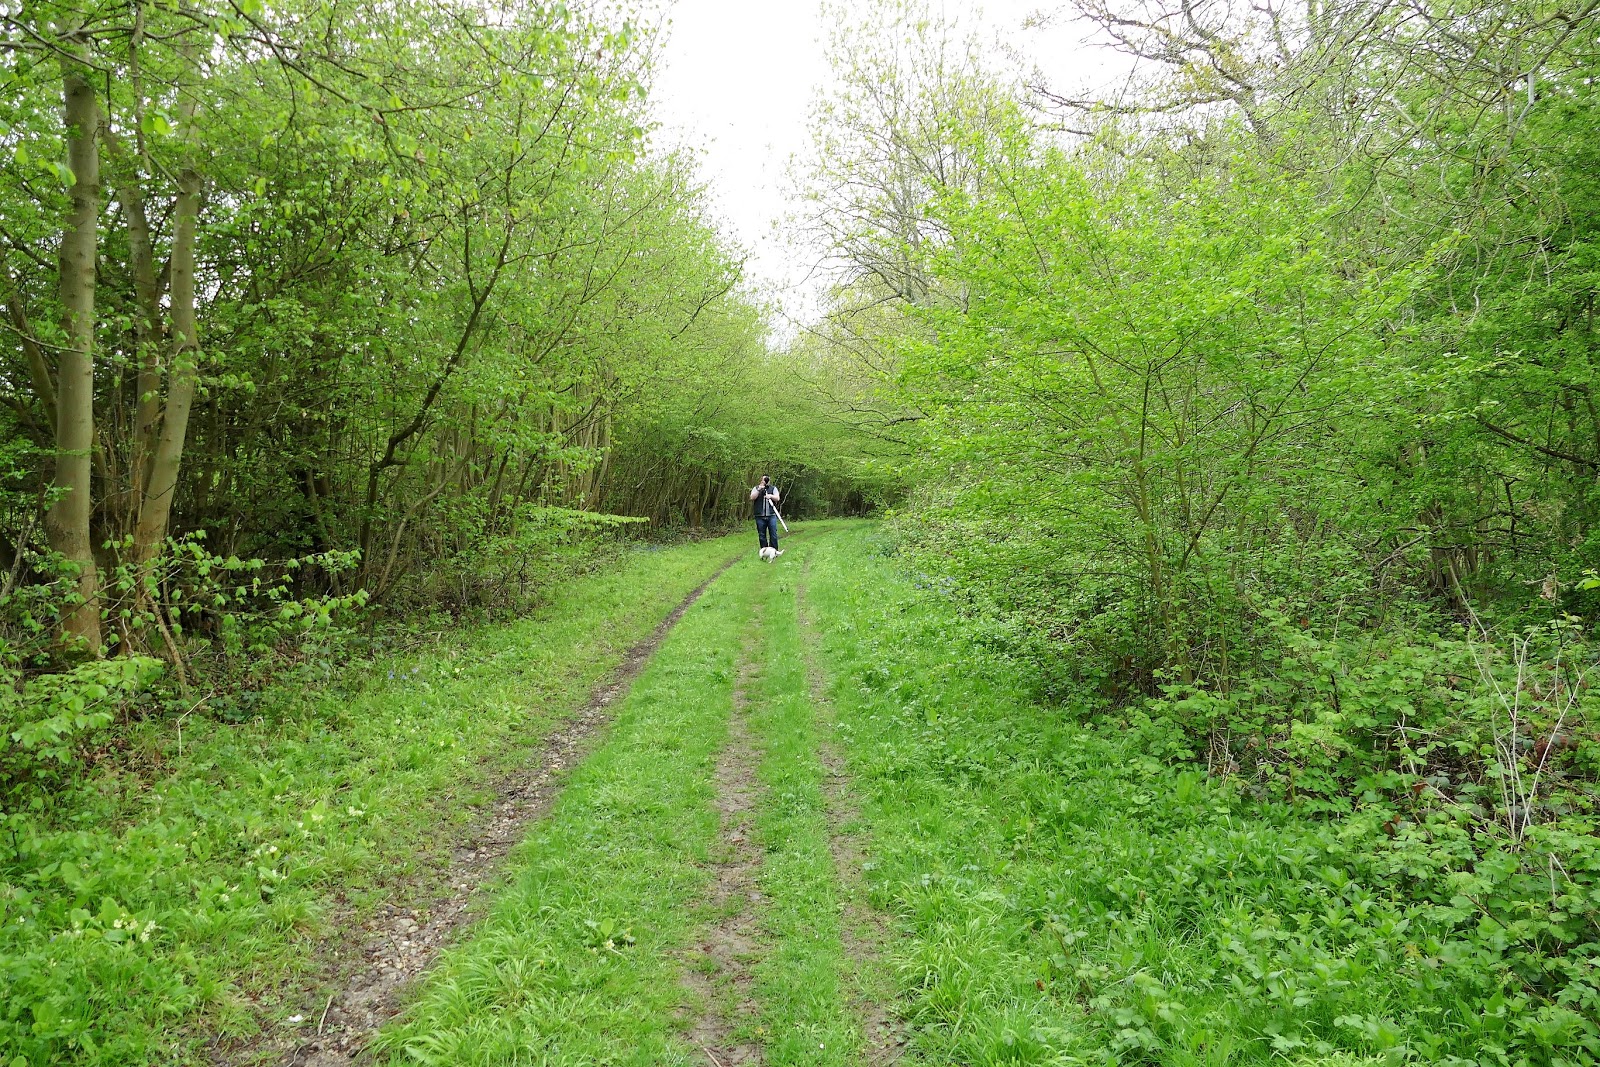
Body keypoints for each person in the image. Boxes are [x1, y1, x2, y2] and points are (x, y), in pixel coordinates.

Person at [750, 475, 781, 553]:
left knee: (773, 534)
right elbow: (752, 497)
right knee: (762, 535)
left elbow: (777, 498)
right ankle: (764, 551)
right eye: (764, 480)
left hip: (771, 515)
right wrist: (759, 489)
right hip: (759, 516)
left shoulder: (773, 488)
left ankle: (774, 551)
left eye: (766, 480)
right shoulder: (756, 488)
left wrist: (770, 496)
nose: (765, 481)